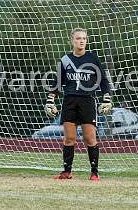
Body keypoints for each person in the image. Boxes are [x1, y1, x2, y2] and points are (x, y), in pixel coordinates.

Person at [44, 28, 112, 181]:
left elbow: (103, 81)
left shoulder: (93, 59)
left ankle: (94, 172)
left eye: (84, 38)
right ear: (72, 40)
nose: (81, 41)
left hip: (87, 101)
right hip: (69, 101)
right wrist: (50, 99)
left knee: (89, 138)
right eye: (78, 38)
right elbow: (58, 83)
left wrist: (107, 98)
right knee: (69, 139)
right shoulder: (65, 60)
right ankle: (67, 172)